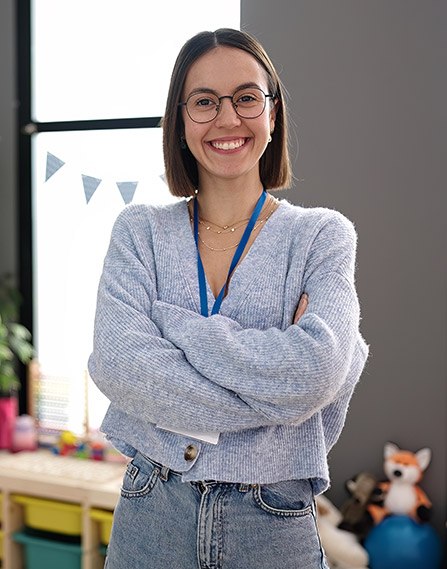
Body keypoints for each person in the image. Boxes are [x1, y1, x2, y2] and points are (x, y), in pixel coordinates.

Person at [88, 28, 369, 569]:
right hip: (152, 509)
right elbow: (118, 364)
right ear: (180, 119)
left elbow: (316, 375)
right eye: (203, 102)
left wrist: (178, 331)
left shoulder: (323, 236)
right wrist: (276, 396)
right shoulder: (138, 231)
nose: (227, 118)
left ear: (272, 111)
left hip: (272, 518)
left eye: (246, 97)